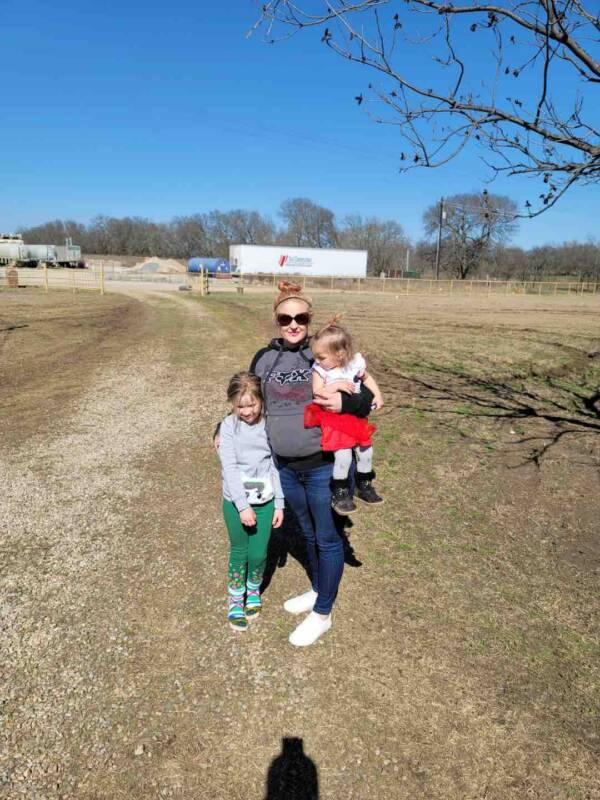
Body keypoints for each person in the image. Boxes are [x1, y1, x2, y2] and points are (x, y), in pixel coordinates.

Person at [250, 282, 374, 646]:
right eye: (285, 318)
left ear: (309, 319)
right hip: (285, 466)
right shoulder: (263, 359)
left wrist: (347, 406)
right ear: (276, 321)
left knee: (327, 536)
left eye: (300, 317)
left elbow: (366, 396)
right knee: (305, 532)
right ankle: (318, 589)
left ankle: (323, 613)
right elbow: (249, 403)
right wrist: (221, 429)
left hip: (323, 464)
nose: (293, 324)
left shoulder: (324, 353)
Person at [218, 371, 284, 631]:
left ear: (262, 401)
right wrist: (242, 506)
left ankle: (253, 590)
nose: (246, 411)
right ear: (232, 404)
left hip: (265, 501)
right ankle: (236, 597)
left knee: (259, 552)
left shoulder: (270, 425)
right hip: (235, 503)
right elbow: (230, 467)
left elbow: (276, 466)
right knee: (240, 551)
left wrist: (279, 502)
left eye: (252, 404)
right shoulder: (228, 427)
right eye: (240, 406)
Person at [304, 315, 384, 515]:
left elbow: (366, 378)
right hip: (334, 419)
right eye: (316, 356)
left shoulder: (355, 363)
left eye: (322, 357)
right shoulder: (320, 370)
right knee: (343, 455)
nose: (317, 361)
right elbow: (317, 392)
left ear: (340, 354)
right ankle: (340, 491)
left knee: (366, 451)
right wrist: (336, 385)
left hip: (355, 417)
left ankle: (363, 483)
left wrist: (378, 394)